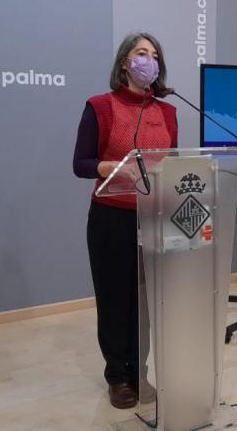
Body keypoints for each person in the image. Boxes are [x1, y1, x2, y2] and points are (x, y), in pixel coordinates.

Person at [73, 32, 178, 409]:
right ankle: (117, 376)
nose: (149, 60)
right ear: (124, 63)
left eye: (154, 55)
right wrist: (116, 168)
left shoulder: (168, 112)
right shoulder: (100, 106)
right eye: (141, 53)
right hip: (111, 219)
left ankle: (139, 371)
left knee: (146, 302)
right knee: (115, 300)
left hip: (154, 216)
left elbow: (171, 163)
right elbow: (81, 164)